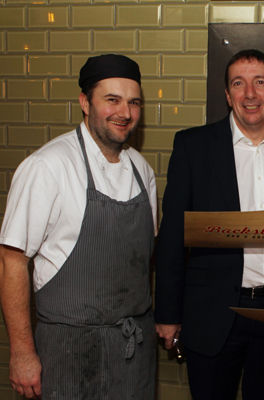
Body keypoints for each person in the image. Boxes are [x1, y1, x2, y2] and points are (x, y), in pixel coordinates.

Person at [154, 49, 264, 400]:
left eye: (260, 82)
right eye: (239, 83)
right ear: (228, 94)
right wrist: (168, 314)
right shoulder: (193, 146)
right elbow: (172, 235)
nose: (250, 93)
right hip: (212, 314)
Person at [0, 54, 157, 399]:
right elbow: (11, 261)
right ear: (85, 102)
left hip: (134, 352)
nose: (125, 112)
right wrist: (23, 353)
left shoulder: (142, 171)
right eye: (111, 100)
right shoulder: (47, 166)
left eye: (133, 102)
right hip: (68, 351)